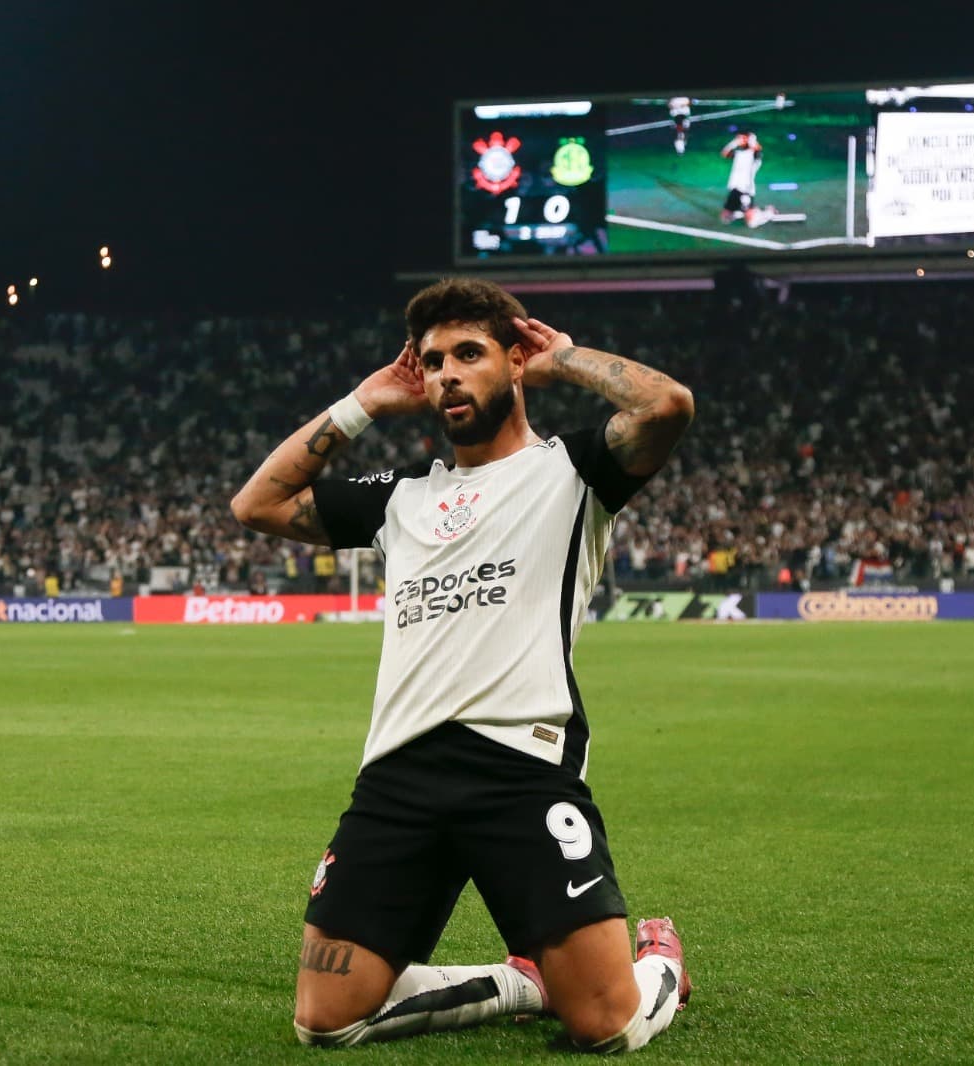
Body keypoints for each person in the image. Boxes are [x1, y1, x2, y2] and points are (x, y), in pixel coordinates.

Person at [230, 277, 695, 1052]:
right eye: (434, 358)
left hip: (519, 769)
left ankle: (659, 964)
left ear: (515, 361)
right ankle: (522, 980)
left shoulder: (575, 472)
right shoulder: (399, 497)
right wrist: (366, 402)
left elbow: (666, 406)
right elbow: (258, 506)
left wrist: (568, 360)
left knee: (607, 1025)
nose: (447, 373)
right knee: (325, 1019)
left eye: (470, 354)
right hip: (398, 776)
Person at [719, 131, 770, 228]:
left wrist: (751, 140)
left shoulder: (755, 156)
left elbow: (757, 150)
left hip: (746, 189)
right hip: (734, 187)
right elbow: (724, 153)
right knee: (724, 218)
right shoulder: (739, 154)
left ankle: (766, 214)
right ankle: (739, 212)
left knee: (751, 222)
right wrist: (734, 142)